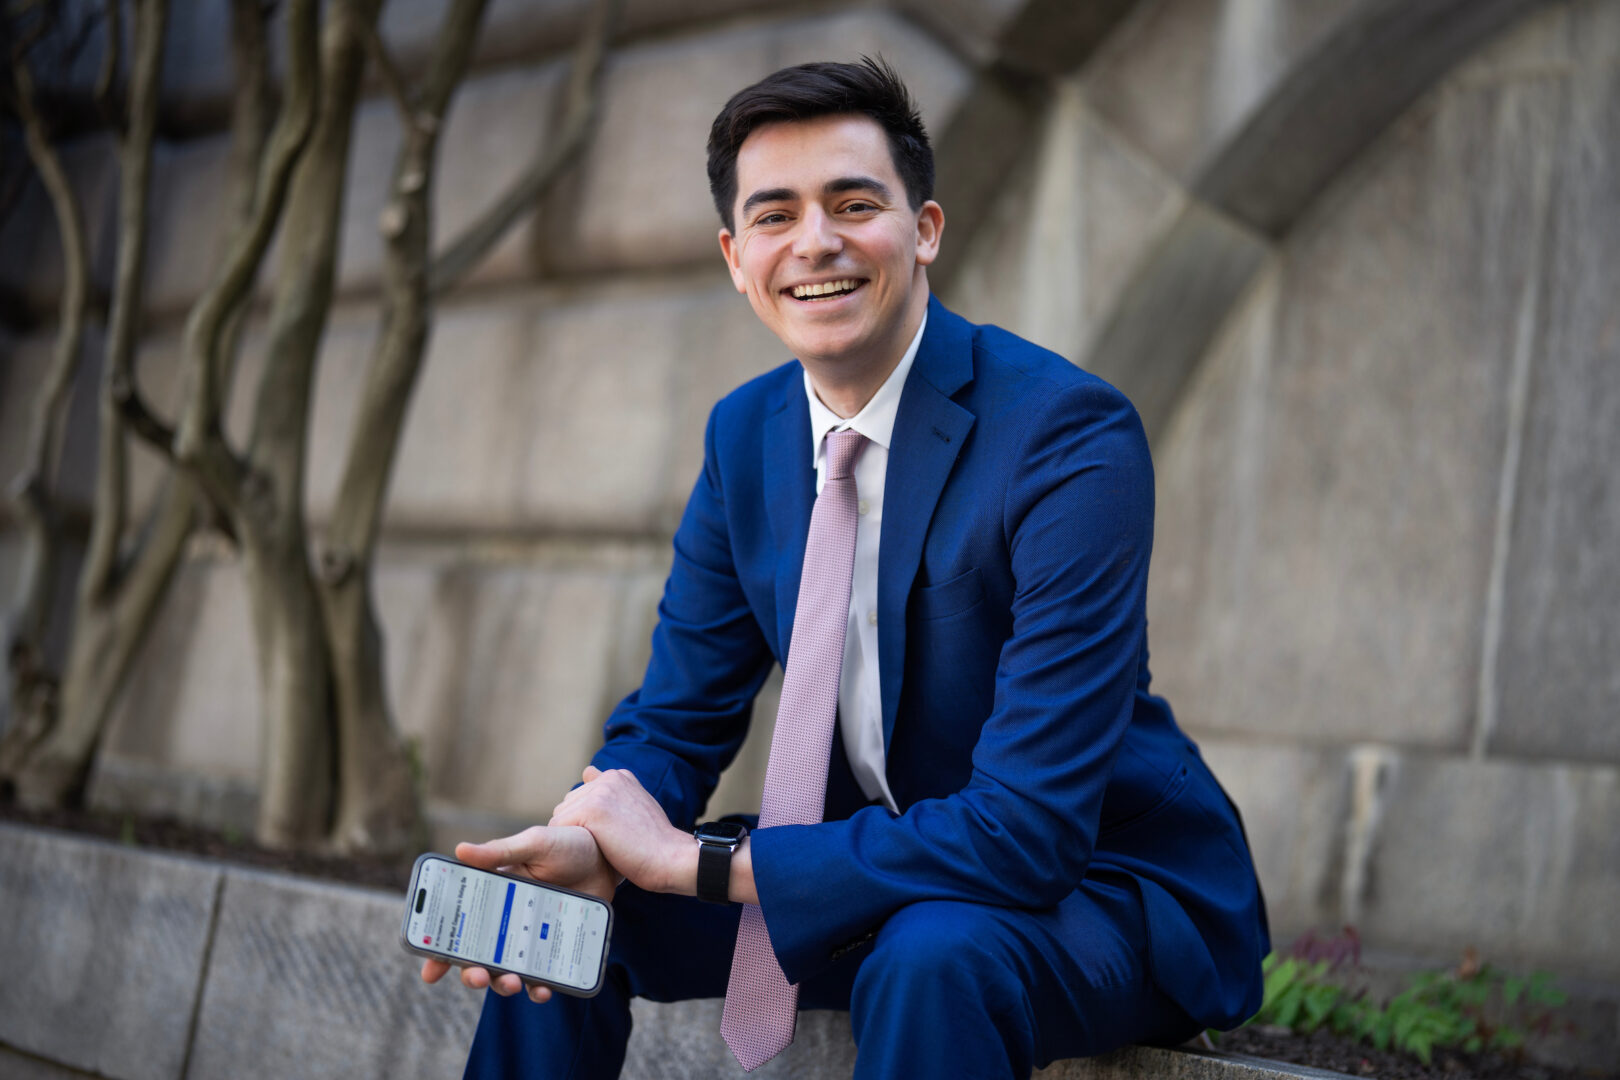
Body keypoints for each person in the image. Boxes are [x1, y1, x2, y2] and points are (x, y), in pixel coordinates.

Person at [423, 57, 1269, 1079]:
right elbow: (676, 719)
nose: (815, 241)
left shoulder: (1066, 436)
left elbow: (1029, 833)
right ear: (737, 258)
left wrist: (699, 862)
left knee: (935, 956)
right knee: (560, 922)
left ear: (924, 230)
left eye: (854, 203)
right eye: (775, 216)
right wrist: (596, 836)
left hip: (1098, 887)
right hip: (878, 870)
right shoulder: (746, 438)